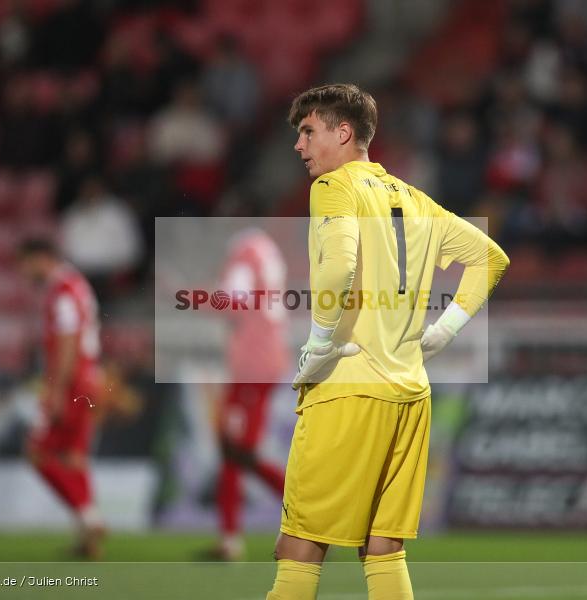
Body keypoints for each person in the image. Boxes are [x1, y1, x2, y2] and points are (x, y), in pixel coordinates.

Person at [267, 84, 509, 600]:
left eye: (309, 132)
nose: (299, 145)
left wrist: (319, 343)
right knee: (383, 549)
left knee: (300, 545)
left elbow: (339, 267)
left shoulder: (334, 187)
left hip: (349, 387)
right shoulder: (416, 200)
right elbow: (491, 257)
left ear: (343, 132)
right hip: (410, 395)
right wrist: (444, 330)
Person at [17, 238, 106, 559]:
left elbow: (68, 341)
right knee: (73, 456)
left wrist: (55, 390)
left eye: (25, 263)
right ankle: (88, 540)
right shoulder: (78, 285)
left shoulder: (63, 290)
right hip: (88, 379)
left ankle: (89, 518)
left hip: (71, 383)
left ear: (42, 258)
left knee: (37, 452)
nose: (23, 271)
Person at [210, 227, 289, 560]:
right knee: (235, 449)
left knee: (238, 450)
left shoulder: (243, 254)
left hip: (251, 365)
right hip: (267, 359)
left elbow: (235, 305)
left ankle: (315, 516)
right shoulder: (268, 250)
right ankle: (229, 538)